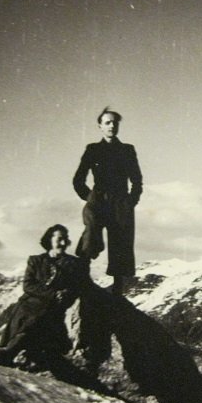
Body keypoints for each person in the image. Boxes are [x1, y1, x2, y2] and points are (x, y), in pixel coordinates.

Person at [72, 107, 143, 295]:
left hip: (121, 201)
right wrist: (90, 198)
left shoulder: (127, 150)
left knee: (121, 242)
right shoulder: (93, 149)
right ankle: (82, 276)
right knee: (91, 232)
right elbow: (78, 179)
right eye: (107, 122)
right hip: (98, 199)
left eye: (114, 123)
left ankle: (118, 289)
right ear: (100, 126)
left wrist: (131, 201)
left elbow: (137, 179)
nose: (112, 126)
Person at [0, 224, 89, 365]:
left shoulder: (72, 264)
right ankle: (8, 355)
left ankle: (20, 357)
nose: (63, 243)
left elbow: (77, 287)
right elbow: (28, 285)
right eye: (59, 239)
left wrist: (65, 295)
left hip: (54, 310)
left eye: (65, 239)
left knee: (44, 330)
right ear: (49, 240)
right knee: (31, 325)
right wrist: (53, 293)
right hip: (29, 308)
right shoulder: (36, 261)